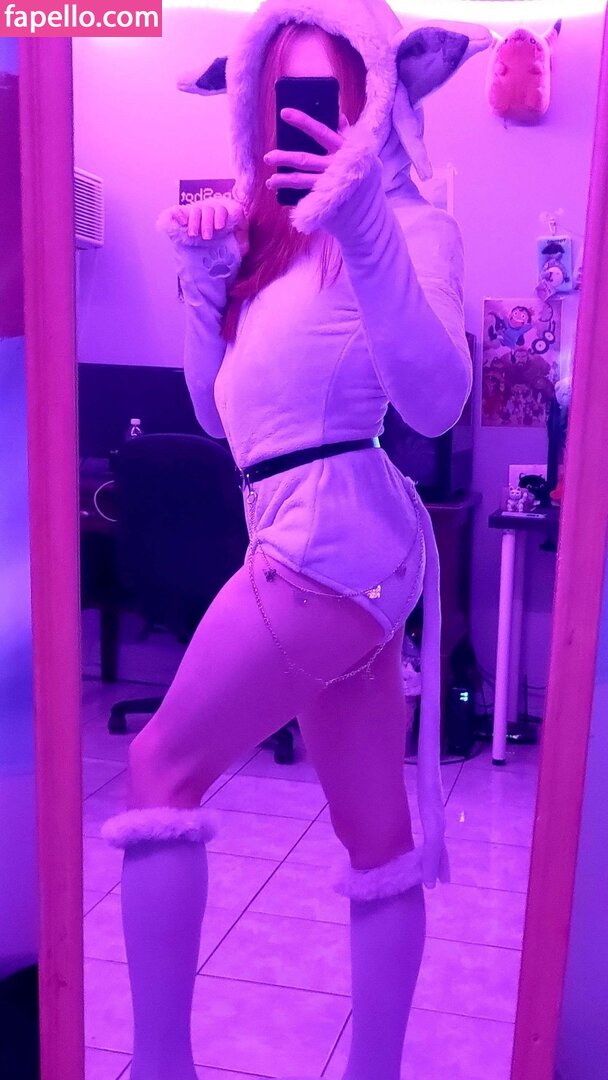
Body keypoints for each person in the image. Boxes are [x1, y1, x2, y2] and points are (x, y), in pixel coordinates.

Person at [101, 3, 490, 1078]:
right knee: (378, 843)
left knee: (158, 764)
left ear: (372, 104)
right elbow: (220, 416)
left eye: (328, 98)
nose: (302, 121)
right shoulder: (272, 246)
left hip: (327, 541)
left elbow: (436, 404)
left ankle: (160, 1069)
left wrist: (365, 227)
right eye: (279, 100)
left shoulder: (408, 224)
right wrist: (203, 284)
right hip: (333, 545)